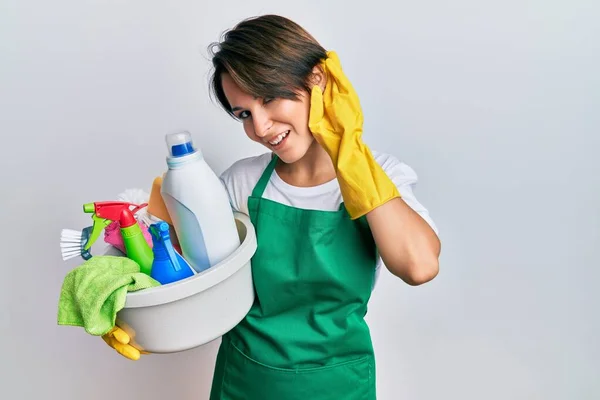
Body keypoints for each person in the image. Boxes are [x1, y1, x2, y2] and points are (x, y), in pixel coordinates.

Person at [102, 14, 441, 400]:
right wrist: (138, 319)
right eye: (244, 114)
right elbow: (188, 277)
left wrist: (349, 148)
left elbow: (419, 267)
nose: (260, 128)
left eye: (268, 98)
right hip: (244, 382)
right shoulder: (240, 183)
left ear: (319, 80)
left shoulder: (382, 178)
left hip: (337, 385)